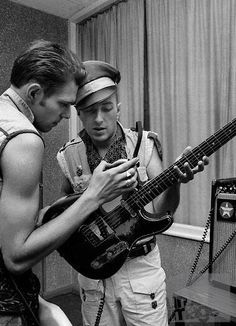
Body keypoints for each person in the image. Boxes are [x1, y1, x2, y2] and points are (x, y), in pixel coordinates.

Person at [57, 60, 209, 326]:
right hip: (94, 273)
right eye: (90, 111)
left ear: (118, 108)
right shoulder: (70, 154)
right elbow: (63, 211)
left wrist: (176, 182)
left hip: (139, 270)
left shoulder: (143, 145)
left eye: (106, 108)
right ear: (79, 114)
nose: (99, 119)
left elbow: (164, 212)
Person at [0, 42, 140, 326]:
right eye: (64, 104)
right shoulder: (24, 139)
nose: (67, 115)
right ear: (35, 93)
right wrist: (93, 196)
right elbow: (15, 257)